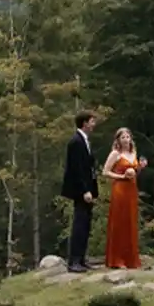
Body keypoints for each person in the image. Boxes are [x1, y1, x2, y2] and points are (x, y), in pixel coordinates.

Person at [103, 127, 147, 269]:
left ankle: (130, 258)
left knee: (130, 221)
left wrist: (140, 168)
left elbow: (134, 172)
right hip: (120, 189)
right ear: (118, 140)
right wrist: (122, 176)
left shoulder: (133, 153)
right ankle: (117, 259)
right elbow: (105, 172)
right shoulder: (115, 154)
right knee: (119, 221)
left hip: (132, 189)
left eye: (128, 136)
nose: (126, 139)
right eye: (123, 137)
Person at [60, 110, 98, 273]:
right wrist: (84, 190)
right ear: (84, 123)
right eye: (92, 121)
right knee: (79, 224)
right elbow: (77, 169)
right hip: (80, 190)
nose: (94, 124)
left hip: (88, 187)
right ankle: (73, 260)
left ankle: (81, 258)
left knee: (86, 223)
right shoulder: (76, 142)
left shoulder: (85, 141)